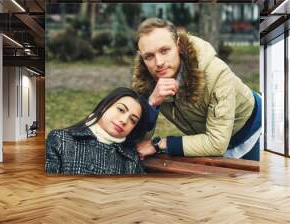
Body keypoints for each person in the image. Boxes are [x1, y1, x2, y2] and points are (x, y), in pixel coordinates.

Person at [132, 18, 262, 161]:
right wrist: (151, 105)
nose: (159, 62)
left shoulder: (216, 74)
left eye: (164, 50)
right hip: (210, 139)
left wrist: (159, 144)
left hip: (253, 131)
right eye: (149, 56)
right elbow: (138, 143)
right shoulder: (146, 82)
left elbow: (216, 143)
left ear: (179, 45)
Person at [45, 87, 150, 175]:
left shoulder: (131, 160)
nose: (124, 120)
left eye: (133, 120)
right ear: (105, 106)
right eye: (121, 110)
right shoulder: (61, 140)